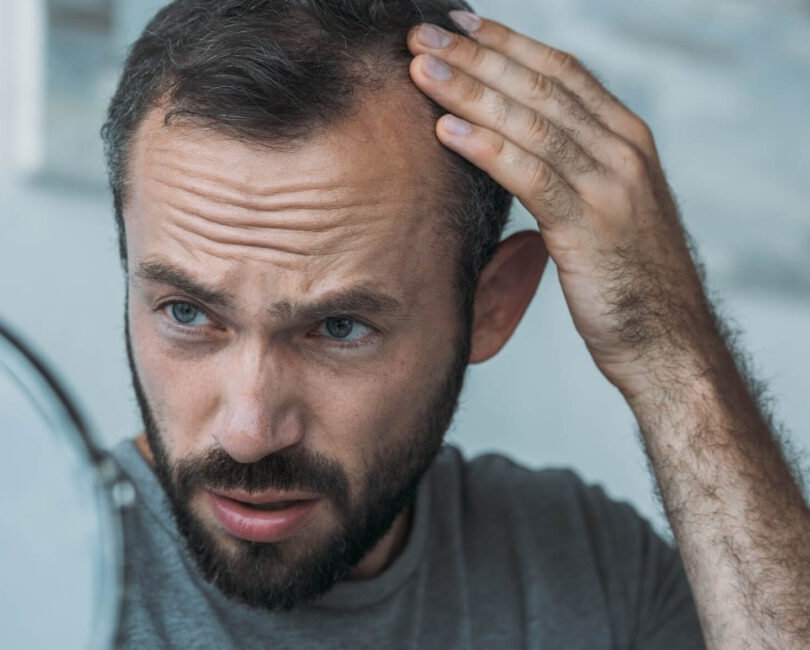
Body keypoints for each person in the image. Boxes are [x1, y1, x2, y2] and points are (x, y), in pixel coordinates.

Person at [98, 1, 810, 647]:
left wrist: (670, 351)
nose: (250, 432)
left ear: (491, 306)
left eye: (341, 328)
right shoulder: (25, 575)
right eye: (186, 314)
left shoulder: (593, 573)